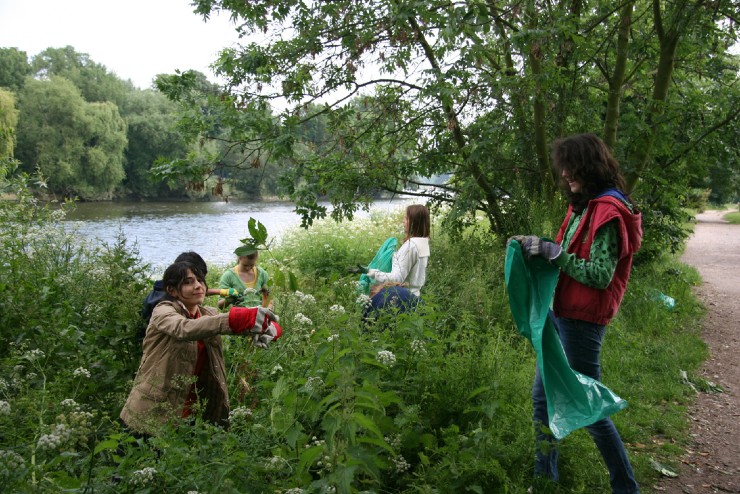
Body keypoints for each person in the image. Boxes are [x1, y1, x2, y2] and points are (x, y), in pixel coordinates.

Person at [510, 133, 642, 493]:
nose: (565, 173)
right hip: (562, 316)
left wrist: (554, 253)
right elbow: (565, 257)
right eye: (562, 166)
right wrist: (538, 249)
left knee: (587, 405)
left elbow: (599, 276)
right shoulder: (583, 206)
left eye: (572, 165)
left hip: (582, 324)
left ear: (591, 165)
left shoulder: (609, 212)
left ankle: (626, 487)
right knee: (543, 399)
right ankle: (545, 479)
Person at [121, 260, 282, 436]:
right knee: (139, 458)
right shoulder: (163, 311)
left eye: (200, 280)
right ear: (172, 290)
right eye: (189, 282)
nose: (198, 286)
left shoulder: (208, 313)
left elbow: (225, 324)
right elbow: (184, 328)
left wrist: (267, 328)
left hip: (192, 412)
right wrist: (239, 318)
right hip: (153, 409)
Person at [365, 204, 431, 315]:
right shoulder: (423, 243)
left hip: (400, 299)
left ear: (414, 222)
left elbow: (397, 278)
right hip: (414, 297)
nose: (403, 221)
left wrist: (370, 272)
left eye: (406, 218)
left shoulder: (411, 246)